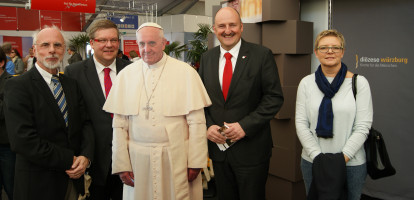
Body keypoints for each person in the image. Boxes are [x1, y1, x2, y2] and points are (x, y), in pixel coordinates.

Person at [103, 22, 211, 200]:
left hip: (177, 158)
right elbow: (119, 125)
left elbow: (197, 122)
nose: (146, 49)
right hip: (138, 159)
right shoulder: (126, 75)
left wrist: (196, 161)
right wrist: (121, 163)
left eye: (152, 43)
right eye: (141, 44)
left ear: (164, 43)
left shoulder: (185, 73)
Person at [198, 7, 284, 200]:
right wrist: (208, 125)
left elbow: (274, 98)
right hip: (218, 152)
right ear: (214, 29)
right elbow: (200, 100)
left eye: (232, 25)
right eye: (222, 26)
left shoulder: (261, 55)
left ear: (242, 27)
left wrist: (245, 126)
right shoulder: (207, 58)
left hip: (251, 151)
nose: (227, 30)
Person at [3, 26, 94, 200]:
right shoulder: (18, 86)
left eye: (57, 45)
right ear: (35, 50)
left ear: (63, 51)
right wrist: (70, 159)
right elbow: (22, 140)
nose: (52, 50)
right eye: (45, 45)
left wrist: (85, 156)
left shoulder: (71, 84)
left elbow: (86, 124)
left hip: (72, 182)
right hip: (38, 184)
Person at [295, 30, 373, 200]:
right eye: (324, 47)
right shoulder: (306, 83)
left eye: (335, 47)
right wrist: (317, 157)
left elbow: (362, 126)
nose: (329, 51)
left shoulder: (359, 83)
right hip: (312, 162)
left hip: (351, 164)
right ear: (316, 52)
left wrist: (341, 159)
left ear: (342, 51)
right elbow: (301, 124)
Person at [65, 19, 131, 200]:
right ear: (92, 43)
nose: (109, 45)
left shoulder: (132, 70)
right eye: (102, 40)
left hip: (129, 158)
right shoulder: (74, 73)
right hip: (92, 159)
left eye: (113, 40)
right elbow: (74, 117)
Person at [0, 47, 15, 200]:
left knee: (11, 187)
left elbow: (4, 112)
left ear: (1, 63)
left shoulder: (11, 83)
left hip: (6, 146)